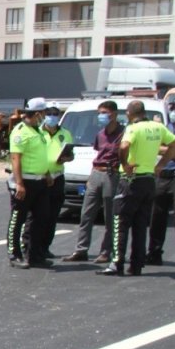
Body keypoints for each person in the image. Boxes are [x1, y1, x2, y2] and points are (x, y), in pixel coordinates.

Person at [102, 100, 175, 276]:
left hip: (130, 180)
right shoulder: (157, 127)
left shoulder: (132, 128)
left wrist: (125, 163)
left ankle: (117, 262)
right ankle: (136, 265)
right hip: (149, 180)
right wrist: (161, 164)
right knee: (140, 224)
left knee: (120, 222)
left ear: (130, 113)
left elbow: (123, 146)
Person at [63, 100, 121, 263]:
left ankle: (106, 251)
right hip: (96, 173)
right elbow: (97, 154)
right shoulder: (100, 134)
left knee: (109, 216)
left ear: (114, 114)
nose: (101, 116)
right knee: (86, 214)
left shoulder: (123, 133)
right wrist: (90, 176)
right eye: (100, 113)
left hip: (112, 174)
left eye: (105, 113)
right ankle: (81, 249)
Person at [7, 97, 53, 269]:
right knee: (17, 219)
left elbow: (40, 155)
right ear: (37, 113)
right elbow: (16, 158)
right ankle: (14, 254)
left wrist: (47, 173)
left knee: (40, 218)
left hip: (40, 181)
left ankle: (33, 255)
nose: (45, 116)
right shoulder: (20, 131)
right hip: (25, 181)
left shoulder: (38, 130)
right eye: (44, 113)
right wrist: (19, 184)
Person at [147, 94, 175, 271]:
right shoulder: (166, 128)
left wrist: (163, 148)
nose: (174, 111)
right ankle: (154, 253)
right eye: (173, 108)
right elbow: (170, 150)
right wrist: (171, 149)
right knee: (157, 215)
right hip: (162, 175)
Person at [34, 102, 73, 259]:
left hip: (58, 176)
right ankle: (32, 246)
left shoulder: (65, 133)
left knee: (52, 215)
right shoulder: (38, 133)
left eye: (55, 116)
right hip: (41, 177)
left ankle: (45, 247)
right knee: (38, 215)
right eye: (49, 115)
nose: (52, 119)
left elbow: (71, 154)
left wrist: (67, 158)